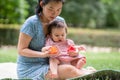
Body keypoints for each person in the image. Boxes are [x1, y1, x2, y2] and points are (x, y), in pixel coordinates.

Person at [17, 0, 94, 80]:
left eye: (59, 9)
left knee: (70, 68)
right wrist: (43, 54)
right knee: (69, 70)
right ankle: (90, 75)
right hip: (31, 68)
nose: (55, 13)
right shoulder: (31, 24)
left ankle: (88, 74)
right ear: (42, 4)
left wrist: (74, 52)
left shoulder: (60, 21)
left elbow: (64, 44)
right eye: (51, 9)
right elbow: (21, 50)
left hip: (55, 63)